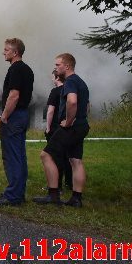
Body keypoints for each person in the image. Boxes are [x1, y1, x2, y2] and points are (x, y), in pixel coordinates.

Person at [34, 53, 90, 208]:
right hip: (82, 126)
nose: (55, 68)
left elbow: (72, 102)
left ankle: (53, 195)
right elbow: (86, 106)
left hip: (70, 127)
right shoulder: (81, 82)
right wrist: (80, 119)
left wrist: (69, 121)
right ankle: (76, 199)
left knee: (46, 155)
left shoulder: (70, 82)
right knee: (75, 160)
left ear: (67, 66)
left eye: (58, 65)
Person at [0, 38, 34, 206]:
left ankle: (13, 196)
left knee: (12, 156)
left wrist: (4, 115)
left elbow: (14, 95)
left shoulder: (16, 69)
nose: (4, 52)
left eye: (7, 49)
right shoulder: (27, 69)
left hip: (14, 116)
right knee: (19, 156)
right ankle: (18, 193)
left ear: (15, 52)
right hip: (22, 115)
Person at [44, 70, 72, 191]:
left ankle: (57, 185)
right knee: (68, 157)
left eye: (52, 77)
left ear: (56, 78)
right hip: (69, 127)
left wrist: (48, 128)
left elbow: (50, 111)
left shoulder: (55, 92)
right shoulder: (70, 91)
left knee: (55, 157)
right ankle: (70, 183)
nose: (52, 80)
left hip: (56, 128)